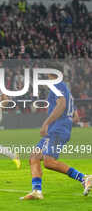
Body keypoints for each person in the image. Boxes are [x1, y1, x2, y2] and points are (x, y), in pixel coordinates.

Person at [21, 64, 92, 200]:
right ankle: (36, 191)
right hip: (60, 129)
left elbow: (62, 105)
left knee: (48, 161)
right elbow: (75, 117)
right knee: (34, 157)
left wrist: (46, 123)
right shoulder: (66, 89)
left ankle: (84, 178)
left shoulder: (57, 85)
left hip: (57, 129)